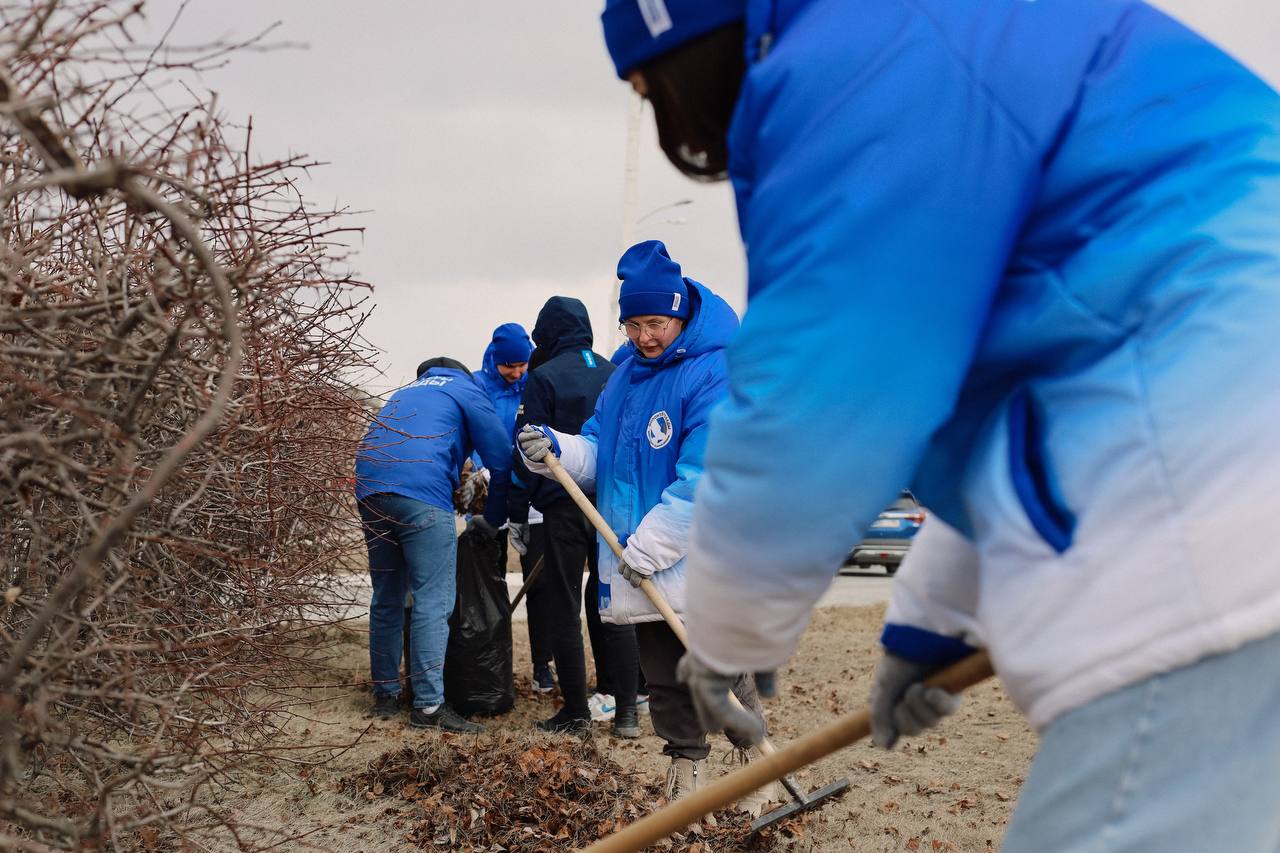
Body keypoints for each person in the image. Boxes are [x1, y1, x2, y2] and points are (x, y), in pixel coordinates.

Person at [599, 2, 1280, 849]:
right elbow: (1011, 403)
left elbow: (819, 394)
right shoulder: (922, 38)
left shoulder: (849, 72)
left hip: (1209, 526)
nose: (668, 123)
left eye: (648, 88)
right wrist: (931, 623)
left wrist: (728, 634)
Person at [519, 241, 776, 814]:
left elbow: (706, 478)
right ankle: (687, 768)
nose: (643, 336)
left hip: (697, 555)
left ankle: (757, 765)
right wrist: (555, 448)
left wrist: (651, 547)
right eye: (632, 323)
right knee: (662, 676)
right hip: (639, 559)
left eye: (654, 323)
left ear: (681, 312)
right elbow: (597, 451)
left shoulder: (715, 372)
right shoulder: (626, 376)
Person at [355, 357, 511, 733]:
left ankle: (386, 695)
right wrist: (496, 515)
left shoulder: (403, 395)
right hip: (422, 494)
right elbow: (503, 459)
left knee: (388, 596)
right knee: (433, 599)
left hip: (371, 490)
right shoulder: (465, 390)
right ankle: (428, 707)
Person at [508, 296, 641, 736]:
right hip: (610, 508)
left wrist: (520, 511)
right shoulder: (614, 372)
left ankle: (577, 714)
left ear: (547, 333)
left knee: (564, 605)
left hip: (563, 507)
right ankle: (625, 712)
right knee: (612, 603)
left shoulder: (543, 376)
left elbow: (526, 447)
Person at [472, 323, 558, 692]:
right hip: (488, 489)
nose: (517, 372)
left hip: (525, 493)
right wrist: (480, 469)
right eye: (510, 366)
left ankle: (542, 665)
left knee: (536, 582)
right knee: (486, 582)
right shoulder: (476, 385)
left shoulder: (532, 382)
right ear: (494, 357)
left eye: (522, 365)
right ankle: (487, 660)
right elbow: (471, 431)